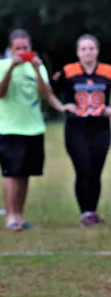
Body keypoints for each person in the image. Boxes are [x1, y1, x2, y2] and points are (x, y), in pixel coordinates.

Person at [0, 29, 61, 231]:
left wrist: (37, 69)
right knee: (11, 174)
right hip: (10, 128)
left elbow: (47, 95)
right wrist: (12, 67)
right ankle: (10, 216)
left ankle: (20, 214)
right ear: (10, 49)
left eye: (25, 47)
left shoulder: (37, 67)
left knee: (26, 174)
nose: (22, 51)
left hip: (34, 128)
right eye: (18, 48)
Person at [50, 34, 111, 226]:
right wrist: (61, 106)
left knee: (96, 171)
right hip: (76, 128)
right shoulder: (68, 71)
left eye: (91, 48)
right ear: (78, 52)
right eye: (84, 49)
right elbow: (48, 89)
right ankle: (85, 213)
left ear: (97, 51)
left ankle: (92, 211)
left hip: (100, 128)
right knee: (83, 168)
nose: (88, 52)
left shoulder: (107, 70)